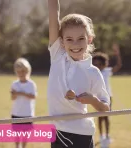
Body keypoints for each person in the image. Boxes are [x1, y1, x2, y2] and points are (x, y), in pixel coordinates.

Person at [47, 0, 110, 147]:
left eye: (81, 39)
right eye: (69, 39)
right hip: (57, 132)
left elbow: (106, 109)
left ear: (89, 39)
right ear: (62, 42)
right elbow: (53, 14)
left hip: (82, 135)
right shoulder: (57, 55)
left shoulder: (93, 73)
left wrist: (92, 100)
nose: (75, 44)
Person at [92, 44, 122, 147]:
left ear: (104, 64)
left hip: (108, 97)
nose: (98, 66)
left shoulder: (107, 71)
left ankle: (107, 136)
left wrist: (117, 54)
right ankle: (101, 136)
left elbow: (118, 66)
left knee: (107, 117)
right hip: (98, 98)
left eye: (100, 64)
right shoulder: (94, 73)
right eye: (95, 64)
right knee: (100, 117)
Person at [10, 58, 37, 148]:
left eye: (23, 71)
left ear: (27, 71)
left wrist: (20, 93)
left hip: (27, 113)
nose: (21, 74)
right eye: (18, 72)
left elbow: (33, 96)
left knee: (25, 134)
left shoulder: (31, 84)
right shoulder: (14, 84)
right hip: (16, 113)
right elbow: (13, 98)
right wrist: (14, 94)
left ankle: (24, 146)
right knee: (17, 133)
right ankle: (17, 146)